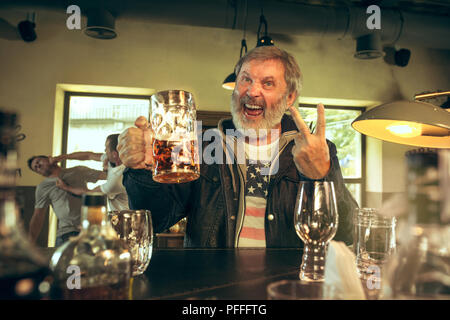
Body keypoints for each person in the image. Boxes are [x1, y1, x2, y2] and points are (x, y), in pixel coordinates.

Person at [117, 46, 358, 248]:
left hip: (287, 287)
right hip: (212, 289)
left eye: (268, 83)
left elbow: (346, 235)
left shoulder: (316, 150)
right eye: (246, 79)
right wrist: (141, 171)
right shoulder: (201, 146)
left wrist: (322, 178)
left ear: (290, 97)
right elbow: (155, 220)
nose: (252, 91)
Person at [27, 154, 106, 246]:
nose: (38, 166)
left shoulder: (78, 171)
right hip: (67, 233)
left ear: (49, 158)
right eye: (36, 168)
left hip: (91, 230)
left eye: (38, 162)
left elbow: (108, 176)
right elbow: (38, 216)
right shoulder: (43, 187)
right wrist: (30, 242)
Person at [56, 134, 129, 212]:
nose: (105, 151)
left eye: (106, 148)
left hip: (126, 218)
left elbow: (89, 193)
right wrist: (62, 157)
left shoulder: (117, 178)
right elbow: (88, 156)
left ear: (114, 154)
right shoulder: (113, 160)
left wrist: (66, 187)